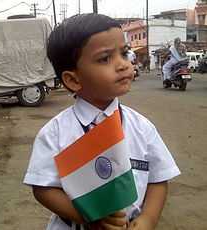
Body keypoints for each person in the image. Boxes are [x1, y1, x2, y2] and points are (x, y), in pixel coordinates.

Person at [24, 13, 180, 230]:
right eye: (105, 58)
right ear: (73, 79)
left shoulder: (142, 127)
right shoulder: (55, 133)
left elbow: (158, 179)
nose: (123, 65)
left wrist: (147, 220)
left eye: (124, 53)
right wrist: (87, 215)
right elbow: (43, 188)